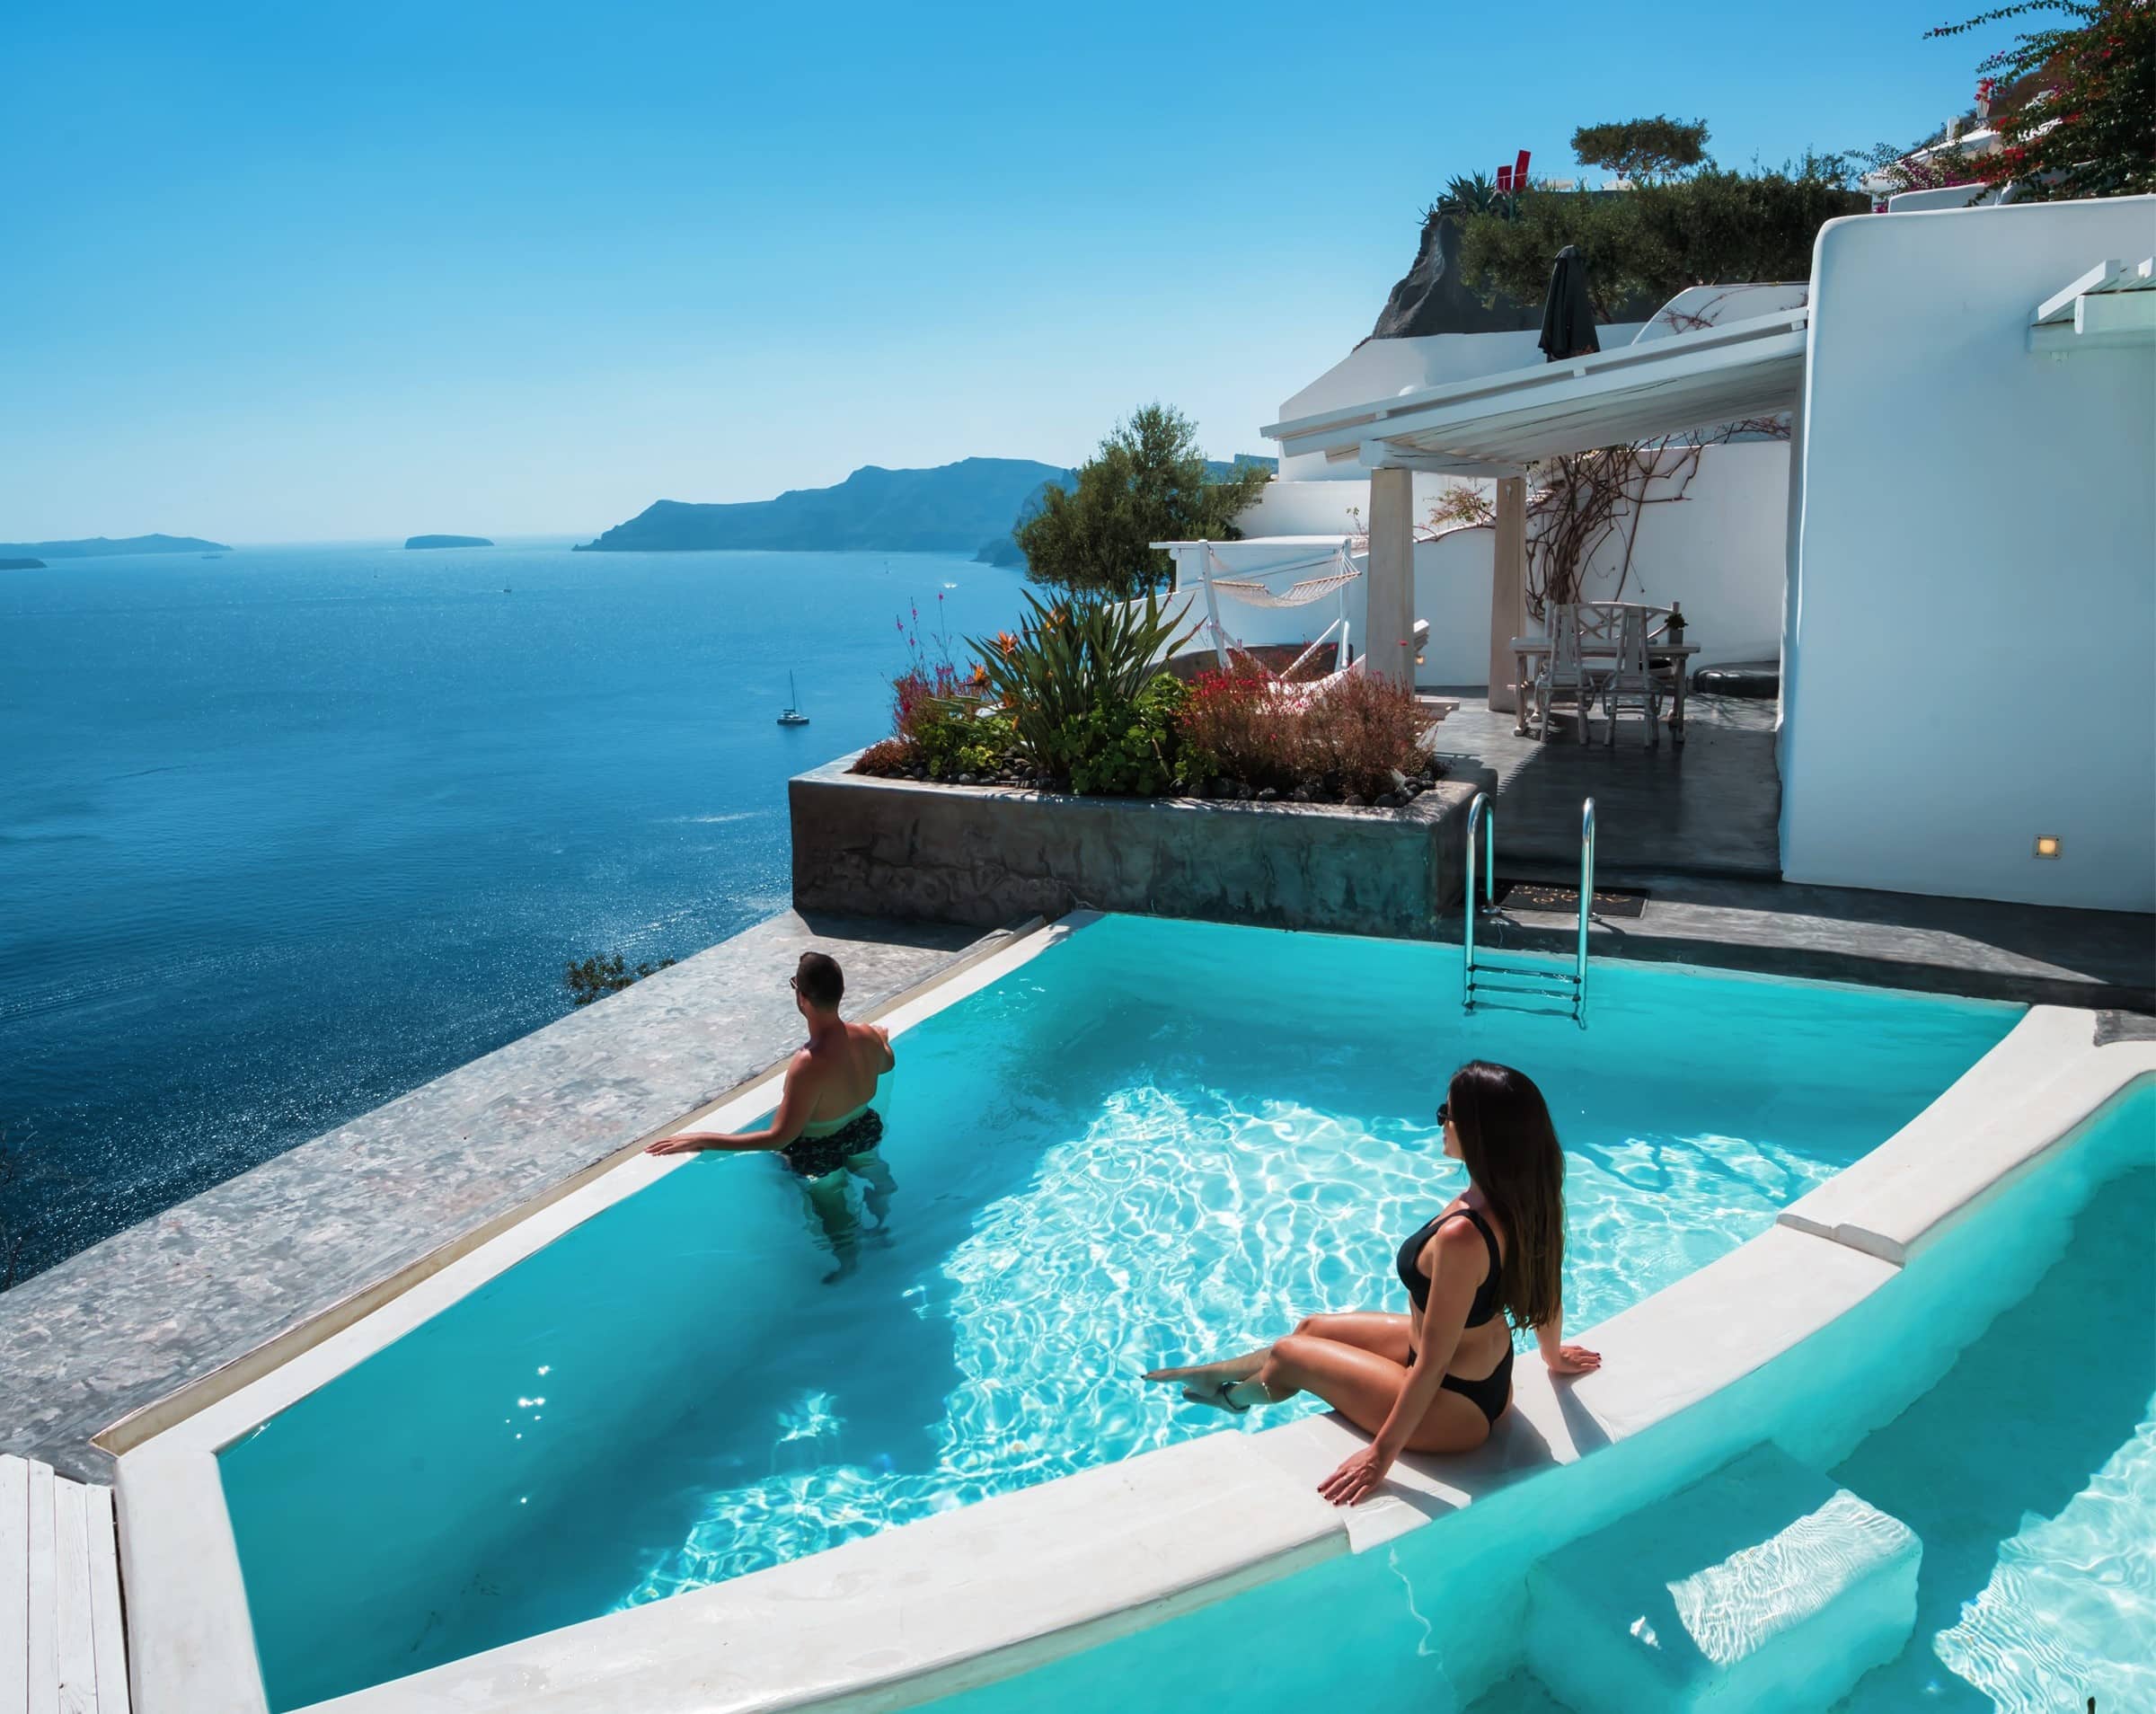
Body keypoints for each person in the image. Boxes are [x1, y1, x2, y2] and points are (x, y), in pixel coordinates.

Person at [1144, 1060, 1600, 1506]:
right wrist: (1552, 1356)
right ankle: (1214, 1373)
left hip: (1456, 1409)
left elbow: (1433, 1364)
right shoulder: (1517, 1194)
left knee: (1289, 1355)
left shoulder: (1465, 1235)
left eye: (1448, 1114)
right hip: (1479, 1371)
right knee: (1310, 1329)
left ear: (1478, 1132)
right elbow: (1548, 1282)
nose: (1441, 1123)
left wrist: (1380, 1457)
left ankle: (1231, 1398)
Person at [646, 952, 897, 1270]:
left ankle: (849, 1264)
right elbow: (887, 1064)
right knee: (872, 1169)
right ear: (840, 992)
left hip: (818, 1149)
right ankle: (883, 1215)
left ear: (801, 997)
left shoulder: (807, 1064)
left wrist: (705, 1139)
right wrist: (882, 1040)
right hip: (862, 1129)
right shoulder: (868, 1035)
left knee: (832, 1201)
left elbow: (779, 1138)